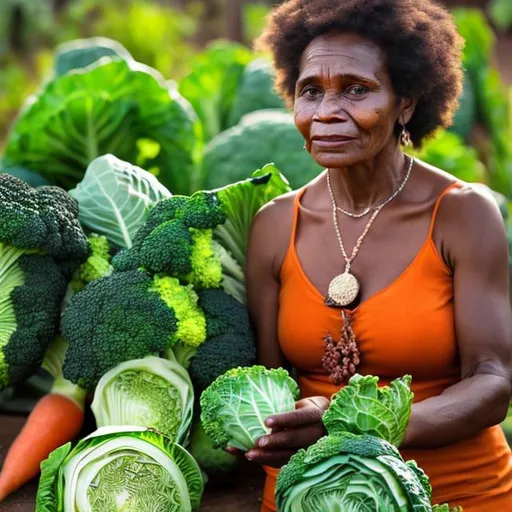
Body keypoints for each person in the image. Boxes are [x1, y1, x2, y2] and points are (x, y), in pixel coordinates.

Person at [242, 0, 512, 510]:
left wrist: (348, 422)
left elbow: (493, 381)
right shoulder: (274, 224)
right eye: (310, 92)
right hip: (311, 494)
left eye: (356, 89)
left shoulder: (461, 214)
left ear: (405, 103)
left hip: (455, 491)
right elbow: (267, 380)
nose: (326, 112)